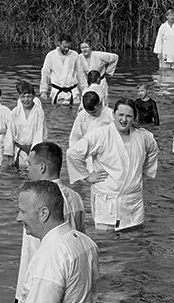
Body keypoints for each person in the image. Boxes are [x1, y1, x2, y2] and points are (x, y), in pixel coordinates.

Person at [10, 143, 86, 303]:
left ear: (41, 167)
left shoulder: (36, 202)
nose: (27, 169)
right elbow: (81, 239)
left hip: (40, 286)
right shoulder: (75, 198)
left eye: (29, 164)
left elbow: (37, 254)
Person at [67, 99, 158, 231]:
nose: (124, 120)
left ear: (134, 117)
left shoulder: (143, 136)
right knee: (106, 244)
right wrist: (87, 176)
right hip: (107, 199)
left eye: (128, 116)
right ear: (113, 115)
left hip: (133, 201)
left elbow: (153, 149)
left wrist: (144, 170)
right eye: (120, 115)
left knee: (135, 244)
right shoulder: (100, 134)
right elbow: (73, 153)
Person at [4, 81, 47, 169]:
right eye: (23, 96)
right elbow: (10, 134)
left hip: (34, 151)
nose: (26, 100)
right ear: (19, 97)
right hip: (19, 151)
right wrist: (8, 155)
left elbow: (40, 134)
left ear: (34, 96)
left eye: (29, 96)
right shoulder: (15, 112)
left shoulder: (39, 113)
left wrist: (35, 153)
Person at [40, 34, 87, 105]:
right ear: (59, 43)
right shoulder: (51, 55)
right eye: (64, 47)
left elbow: (81, 75)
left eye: (68, 47)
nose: (67, 49)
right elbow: (45, 73)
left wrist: (85, 91)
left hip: (73, 93)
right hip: (57, 92)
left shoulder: (75, 55)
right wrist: (43, 91)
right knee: (58, 115)